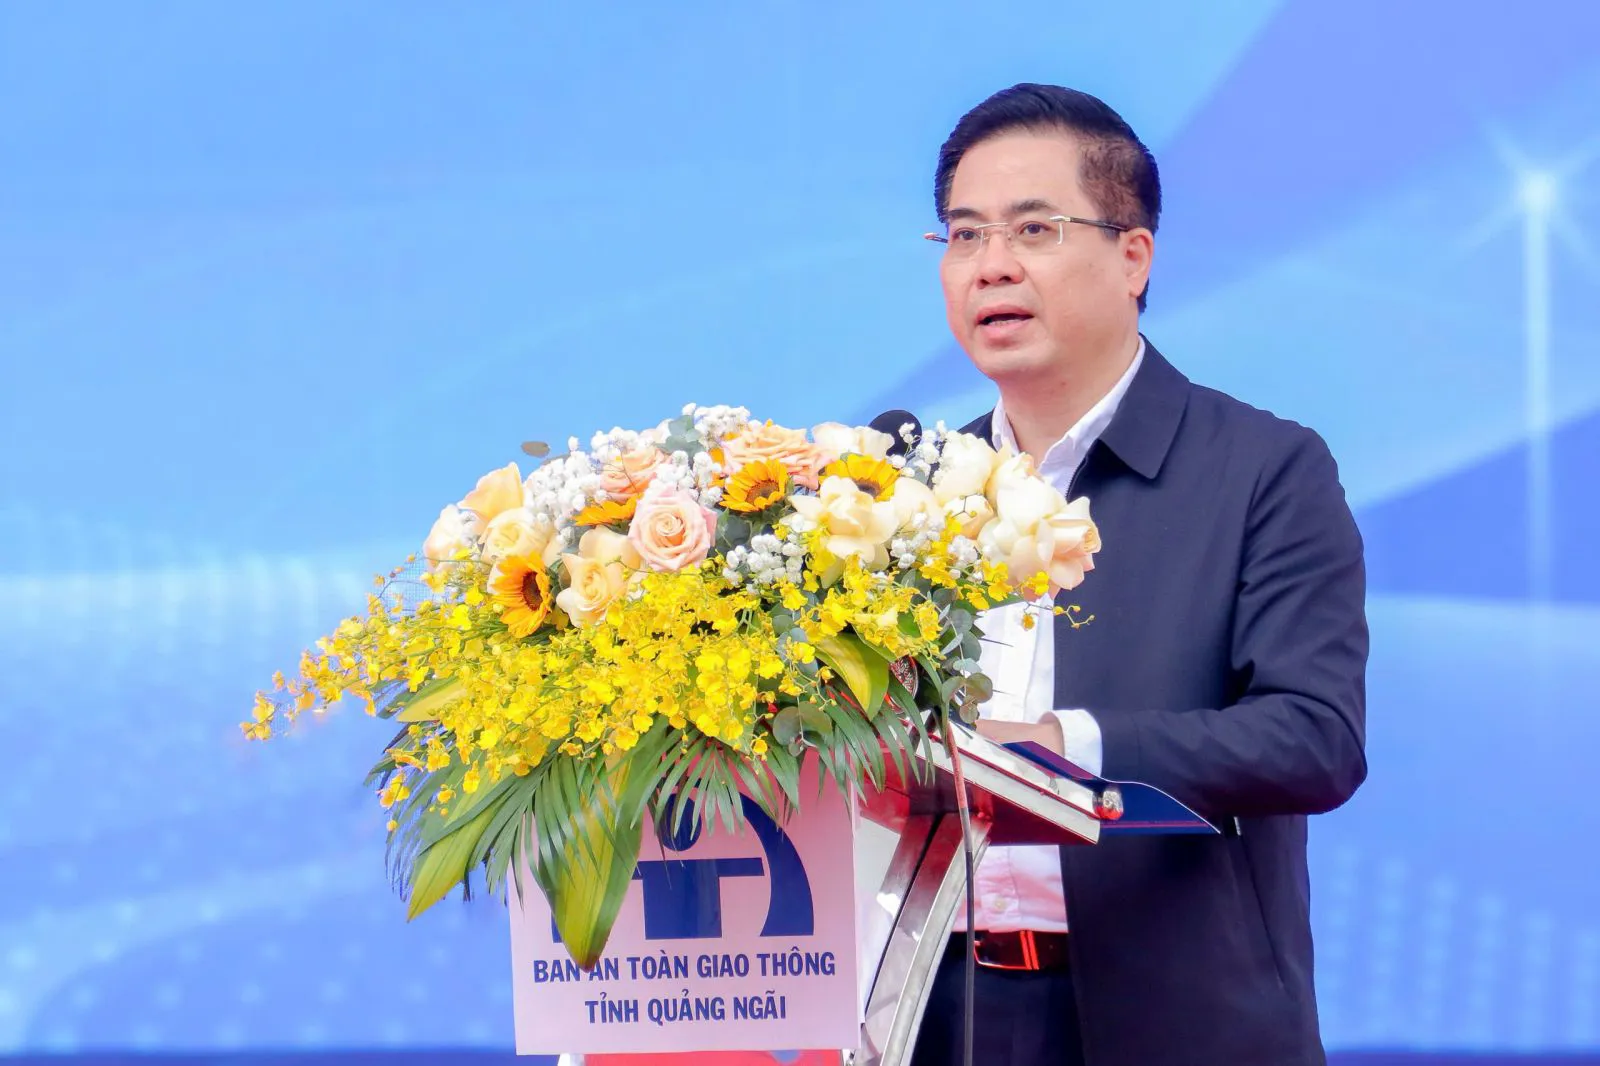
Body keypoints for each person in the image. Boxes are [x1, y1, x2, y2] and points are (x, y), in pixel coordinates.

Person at [908, 83, 1369, 1066]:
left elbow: (1316, 737)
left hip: (1173, 1018)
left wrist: (1060, 746)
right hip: (932, 1014)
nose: (992, 264)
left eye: (1034, 229)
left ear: (1133, 257)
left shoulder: (1262, 469)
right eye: (964, 234)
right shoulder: (905, 493)